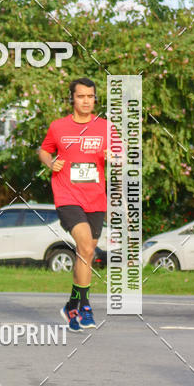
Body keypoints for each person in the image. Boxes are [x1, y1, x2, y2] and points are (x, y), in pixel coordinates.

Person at [38, 78, 118, 332]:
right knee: (84, 245)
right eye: (81, 96)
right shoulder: (58, 127)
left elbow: (122, 155)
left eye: (90, 96)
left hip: (95, 199)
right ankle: (85, 306)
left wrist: (116, 157)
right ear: (72, 98)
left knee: (87, 253)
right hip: (67, 196)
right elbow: (44, 150)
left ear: (95, 99)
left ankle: (71, 305)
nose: (86, 101)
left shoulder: (105, 127)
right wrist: (51, 163)